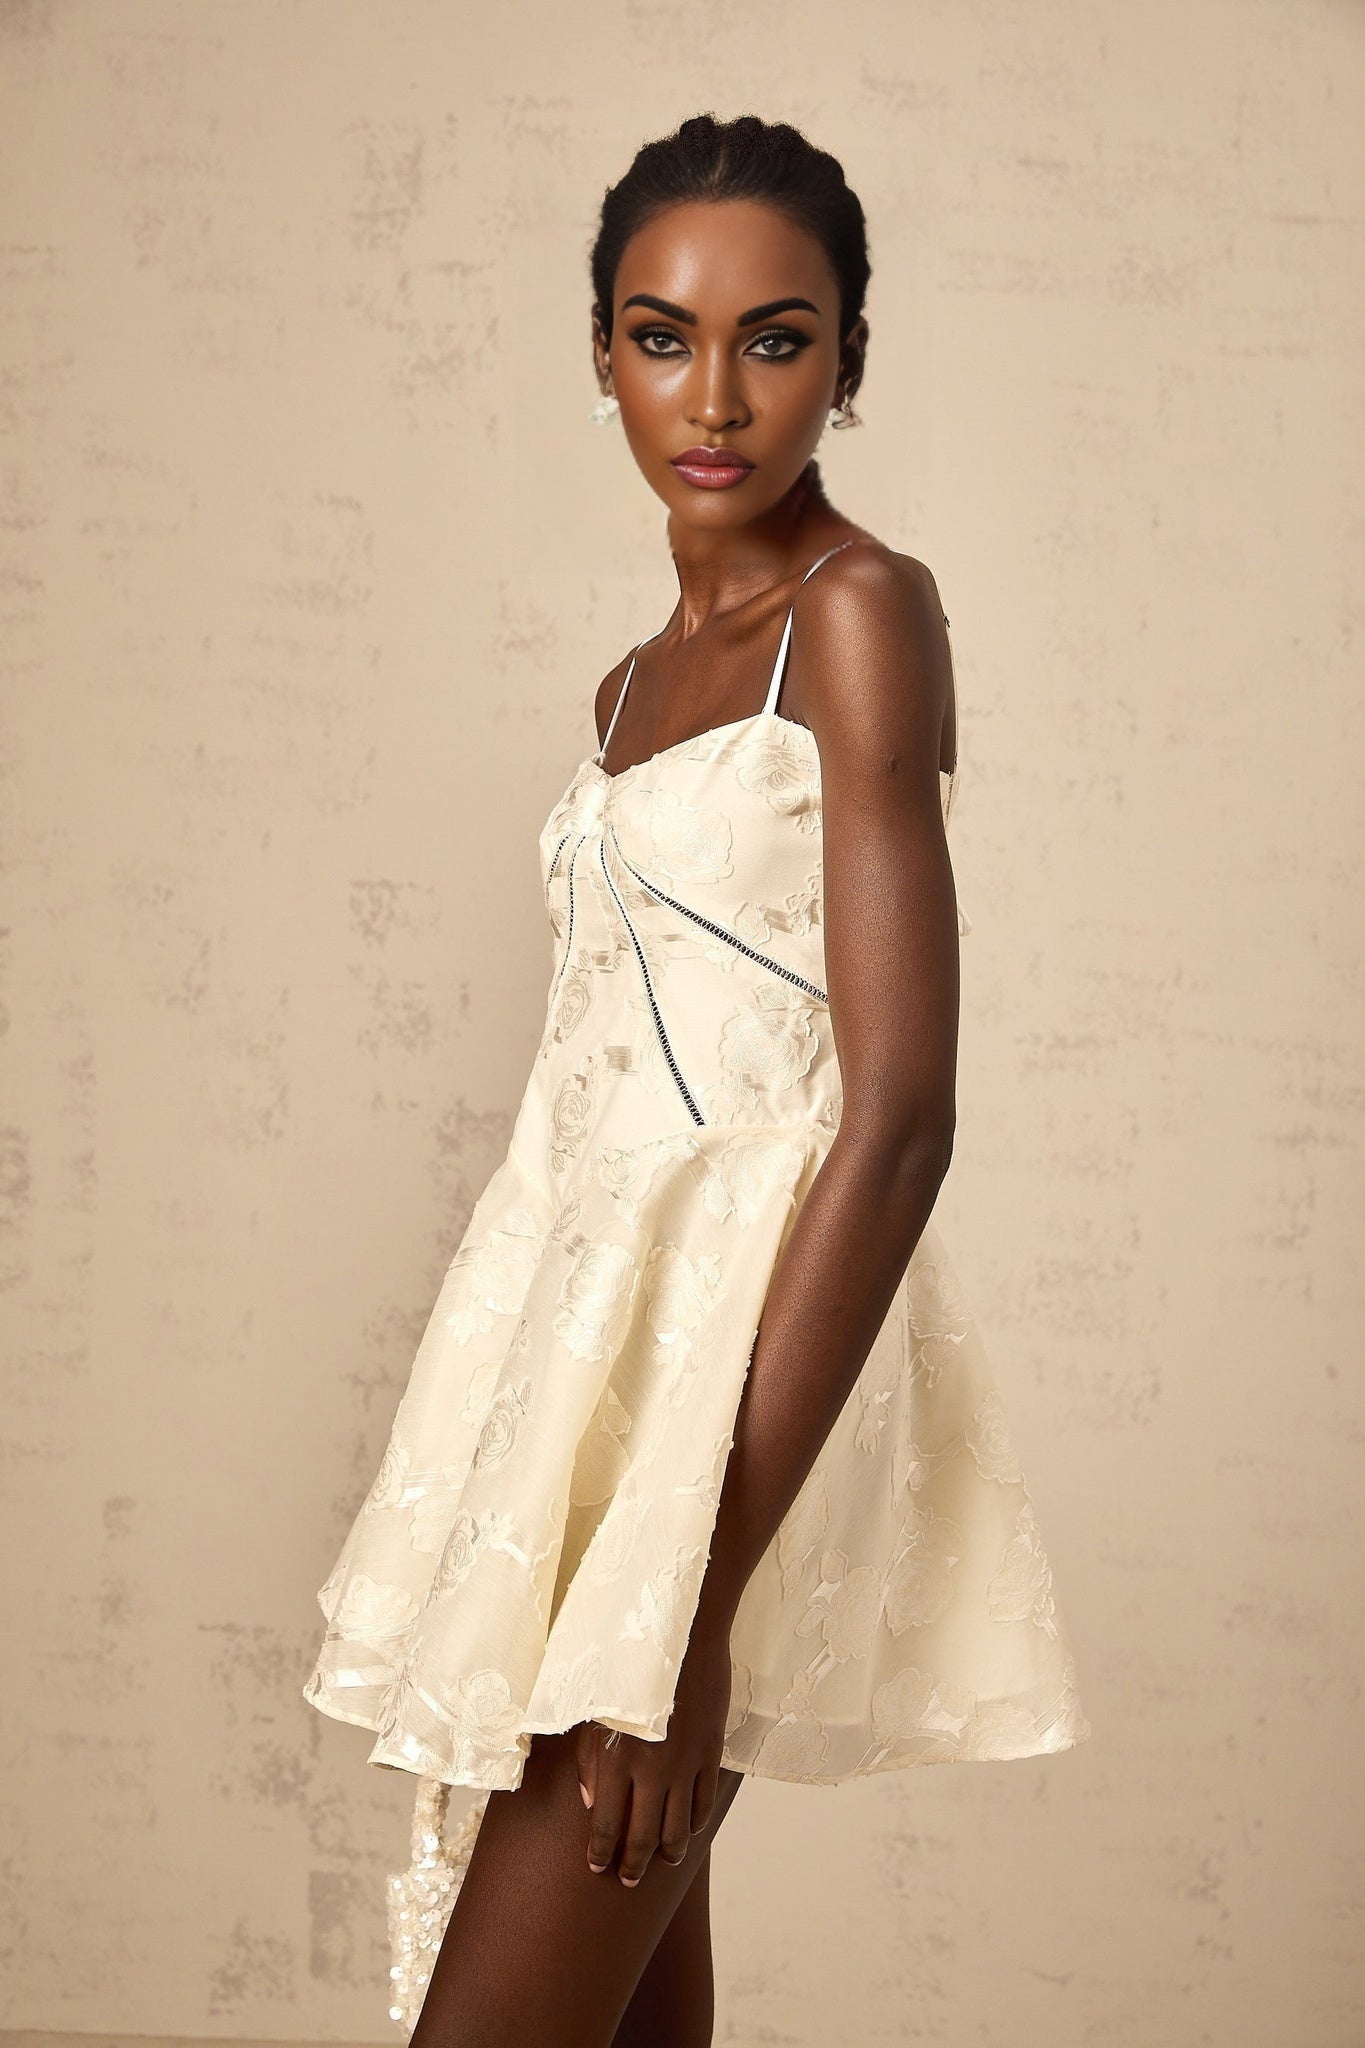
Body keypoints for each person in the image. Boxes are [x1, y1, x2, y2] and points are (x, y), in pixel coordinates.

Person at [303, 111, 1091, 2047]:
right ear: (600, 354)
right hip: (585, 1381)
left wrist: (680, 1602)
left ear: (848, 358)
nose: (716, 398)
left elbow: (894, 1119)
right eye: (662, 338)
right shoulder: (630, 685)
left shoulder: (857, 613)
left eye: (776, 339)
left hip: (741, 1401)